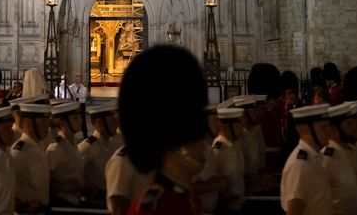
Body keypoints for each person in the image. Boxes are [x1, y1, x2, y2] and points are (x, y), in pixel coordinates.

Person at [119, 44, 209, 215]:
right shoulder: (155, 207)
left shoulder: (186, 197)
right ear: (171, 146)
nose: (203, 144)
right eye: (193, 138)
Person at [280, 104, 332, 215]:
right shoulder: (300, 164)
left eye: (329, 126)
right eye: (323, 127)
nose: (329, 131)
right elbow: (294, 210)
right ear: (306, 131)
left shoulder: (315, 157)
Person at [322, 102, 357, 215]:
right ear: (334, 129)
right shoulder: (328, 157)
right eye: (349, 124)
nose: (355, 127)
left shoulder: (349, 151)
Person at [12, 103, 51, 214]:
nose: (47, 127)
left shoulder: (38, 147)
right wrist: (22, 204)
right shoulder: (19, 152)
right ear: (30, 123)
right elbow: (2, 187)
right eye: (43, 122)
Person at [79, 103, 119, 206]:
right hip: (95, 203)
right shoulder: (86, 148)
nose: (116, 124)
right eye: (112, 121)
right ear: (99, 123)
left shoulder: (115, 144)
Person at [46, 101, 84, 207]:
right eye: (75, 118)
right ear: (63, 123)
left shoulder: (72, 141)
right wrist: (64, 186)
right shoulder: (55, 148)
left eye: (79, 117)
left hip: (75, 199)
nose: (80, 121)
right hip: (63, 202)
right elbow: (47, 181)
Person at [213, 107, 247, 213]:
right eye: (237, 126)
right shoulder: (218, 149)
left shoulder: (236, 145)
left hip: (240, 203)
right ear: (225, 127)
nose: (241, 129)